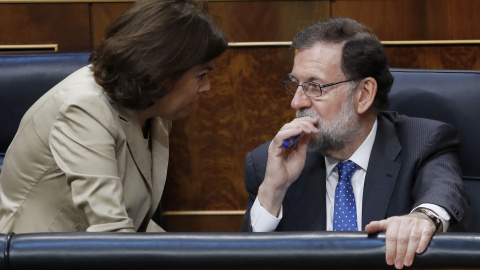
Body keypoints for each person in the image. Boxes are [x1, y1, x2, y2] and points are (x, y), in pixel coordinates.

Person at [240, 17, 471, 269]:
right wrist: (272, 192)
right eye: (296, 85)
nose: (296, 103)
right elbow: (242, 261)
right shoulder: (270, 163)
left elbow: (443, 190)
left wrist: (422, 219)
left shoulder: (423, 142)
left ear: (364, 94)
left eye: (314, 87)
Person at [0, 0, 227, 233]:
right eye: (201, 75)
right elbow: (111, 233)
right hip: (36, 257)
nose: (207, 87)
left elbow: (133, 221)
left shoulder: (154, 107)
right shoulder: (85, 107)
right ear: (163, 72)